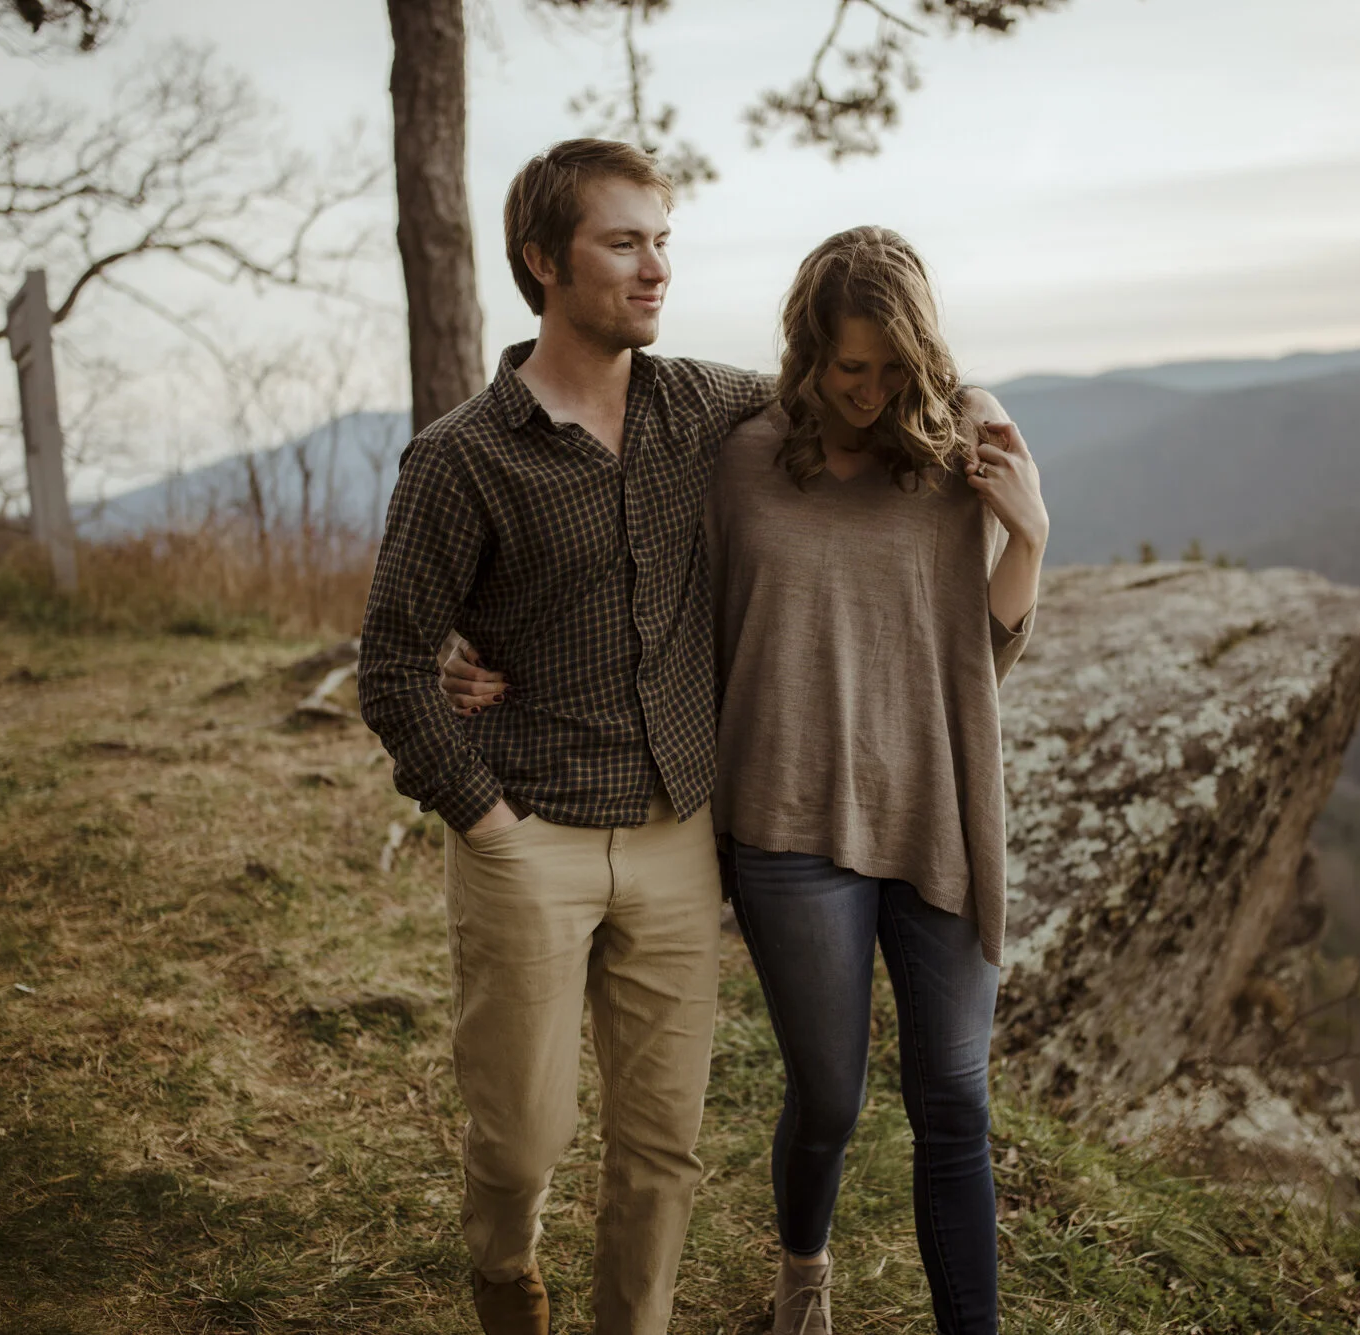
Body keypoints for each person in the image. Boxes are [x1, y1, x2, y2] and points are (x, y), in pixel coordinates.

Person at [444, 225, 1049, 1335]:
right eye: (844, 368)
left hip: (938, 813)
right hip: (787, 821)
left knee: (953, 1102)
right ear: (805, 354)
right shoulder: (739, 455)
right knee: (828, 1094)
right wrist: (478, 648)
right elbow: (632, 596)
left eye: (888, 369)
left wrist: (1030, 540)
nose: (866, 393)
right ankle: (801, 1275)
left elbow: (980, 654)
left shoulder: (966, 438)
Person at [357, 138, 776, 1335]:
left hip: (673, 835)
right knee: (521, 1132)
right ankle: (503, 1270)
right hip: (526, 832)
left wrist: (977, 419)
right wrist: (483, 818)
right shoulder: (460, 458)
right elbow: (390, 662)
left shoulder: (698, 404)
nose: (654, 270)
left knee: (665, 1143)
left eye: (662, 242)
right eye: (622, 243)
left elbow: (844, 391)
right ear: (544, 261)